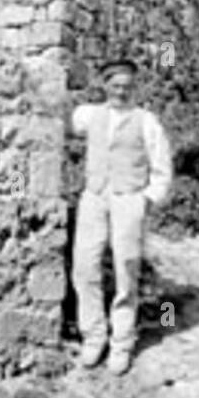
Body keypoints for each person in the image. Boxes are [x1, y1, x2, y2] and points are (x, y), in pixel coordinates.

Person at [69, 58, 173, 375]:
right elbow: (66, 124)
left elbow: (162, 165)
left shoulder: (146, 121)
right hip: (94, 196)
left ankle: (122, 342)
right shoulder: (88, 115)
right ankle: (93, 336)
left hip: (128, 198)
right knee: (85, 265)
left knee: (126, 267)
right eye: (115, 85)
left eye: (127, 87)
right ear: (105, 85)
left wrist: (147, 199)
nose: (121, 92)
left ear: (134, 88)